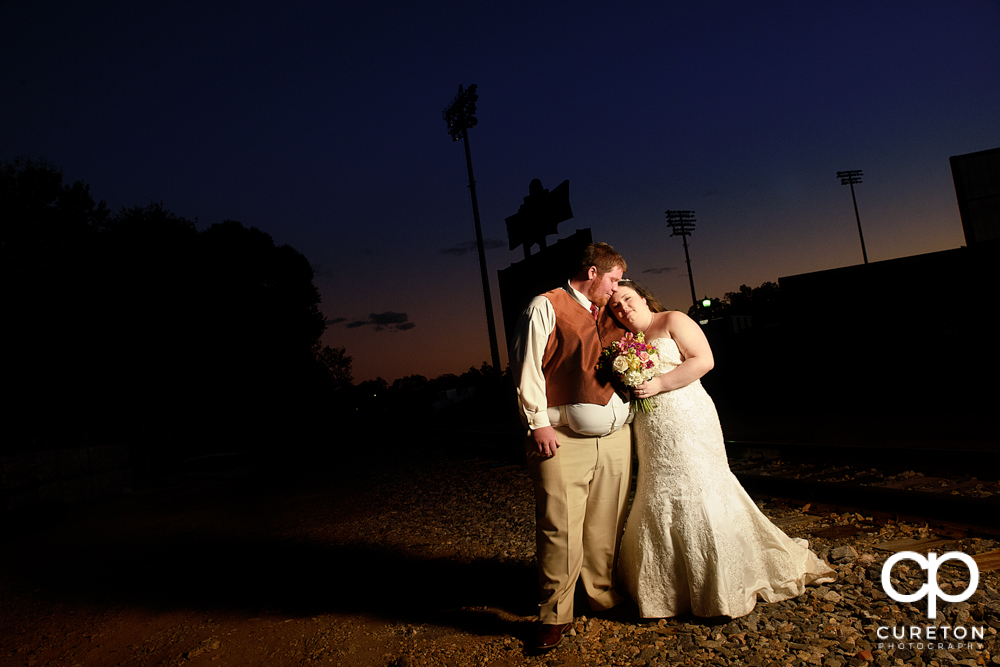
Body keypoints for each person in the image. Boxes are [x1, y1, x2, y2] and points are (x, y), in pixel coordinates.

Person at [607, 279, 835, 619]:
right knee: (658, 489)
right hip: (652, 428)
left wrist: (659, 384)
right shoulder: (625, 342)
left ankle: (721, 584)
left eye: (627, 299)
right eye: (615, 306)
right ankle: (672, 588)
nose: (623, 307)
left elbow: (704, 361)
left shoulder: (672, 320)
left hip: (688, 417)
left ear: (642, 296)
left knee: (701, 486)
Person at [510, 242, 633, 650]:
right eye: (613, 279)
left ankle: (599, 595)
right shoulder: (546, 305)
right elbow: (526, 366)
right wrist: (537, 423)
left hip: (616, 437)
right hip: (561, 437)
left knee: (605, 522)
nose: (617, 288)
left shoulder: (611, 311)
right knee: (559, 527)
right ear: (593, 272)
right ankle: (554, 614)